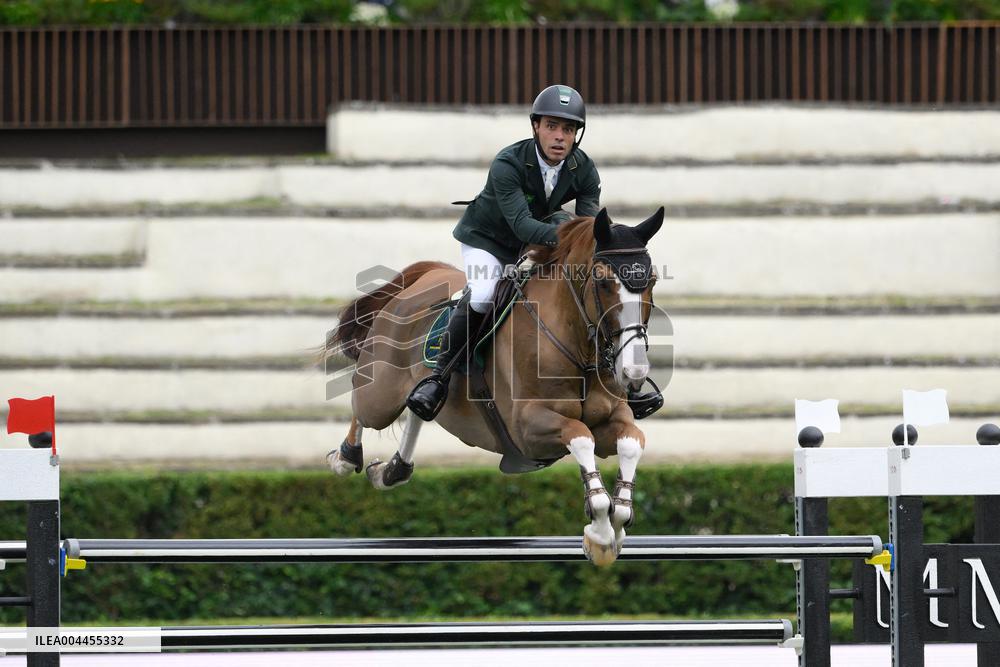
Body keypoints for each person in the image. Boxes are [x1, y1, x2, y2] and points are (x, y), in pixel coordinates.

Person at [406, 84, 601, 421]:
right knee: (483, 293)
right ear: (536, 127)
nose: (559, 137)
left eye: (568, 129)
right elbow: (523, 226)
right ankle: (438, 376)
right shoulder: (508, 162)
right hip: (488, 240)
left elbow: (588, 224)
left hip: (534, 241)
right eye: (552, 126)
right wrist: (572, 236)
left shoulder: (582, 168)